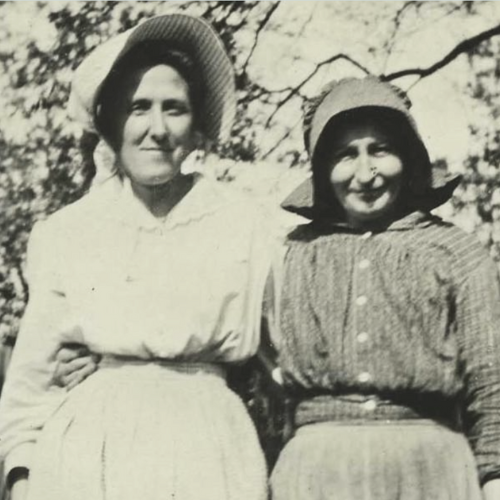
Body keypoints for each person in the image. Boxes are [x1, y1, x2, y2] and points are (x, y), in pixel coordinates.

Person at [0, 14, 271, 500]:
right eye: (138, 108)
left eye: (175, 109)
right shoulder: (68, 233)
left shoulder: (246, 224)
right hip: (91, 457)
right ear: (109, 122)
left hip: (211, 453)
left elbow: (287, 358)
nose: (157, 128)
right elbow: (30, 384)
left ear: (198, 123)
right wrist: (21, 479)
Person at [270, 76, 500, 500]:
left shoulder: (457, 251)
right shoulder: (293, 255)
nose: (366, 173)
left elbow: (492, 381)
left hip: (429, 470)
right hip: (317, 473)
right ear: (322, 170)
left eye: (381, 149)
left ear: (409, 157)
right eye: (345, 155)